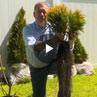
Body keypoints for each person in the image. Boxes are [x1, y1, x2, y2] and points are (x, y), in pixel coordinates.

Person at [23, 2, 76, 97]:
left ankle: (64, 95)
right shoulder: (28, 29)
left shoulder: (55, 27)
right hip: (37, 67)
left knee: (65, 65)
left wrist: (71, 40)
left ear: (49, 14)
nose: (42, 15)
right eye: (39, 12)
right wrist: (53, 40)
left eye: (44, 12)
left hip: (52, 63)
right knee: (39, 95)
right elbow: (35, 48)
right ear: (34, 14)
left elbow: (69, 47)